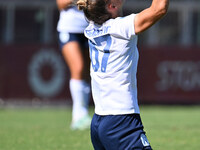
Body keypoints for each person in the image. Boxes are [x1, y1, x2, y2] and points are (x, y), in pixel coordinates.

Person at [76, 0, 169, 149]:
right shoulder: (120, 27)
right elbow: (159, 9)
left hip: (99, 121)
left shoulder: (92, 27)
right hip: (121, 121)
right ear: (111, 6)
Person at [56, 0, 91, 130]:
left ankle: (84, 113)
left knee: (88, 72)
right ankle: (78, 115)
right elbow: (61, 4)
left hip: (90, 28)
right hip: (70, 29)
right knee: (78, 67)